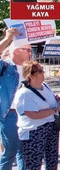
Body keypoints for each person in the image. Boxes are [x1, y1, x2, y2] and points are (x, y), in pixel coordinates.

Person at [15, 61, 60, 170]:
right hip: (34, 131)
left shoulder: (44, 85)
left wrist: (57, 97)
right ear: (30, 75)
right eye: (40, 71)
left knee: (52, 160)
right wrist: (55, 110)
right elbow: (33, 114)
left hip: (50, 127)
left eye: (42, 69)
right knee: (34, 163)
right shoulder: (24, 93)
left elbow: (49, 99)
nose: (43, 72)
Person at [0, 28, 31, 170]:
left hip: (27, 113)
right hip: (10, 115)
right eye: (27, 50)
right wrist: (7, 38)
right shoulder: (5, 66)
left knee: (25, 152)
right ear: (16, 51)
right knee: (10, 152)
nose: (30, 53)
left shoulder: (30, 68)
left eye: (31, 50)